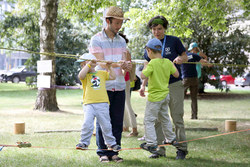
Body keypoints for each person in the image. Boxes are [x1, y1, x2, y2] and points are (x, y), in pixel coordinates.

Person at [140, 15, 188, 160]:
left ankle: (181, 148)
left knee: (176, 116)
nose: (156, 32)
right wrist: (143, 85)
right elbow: (147, 68)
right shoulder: (150, 45)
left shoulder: (174, 40)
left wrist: (181, 59)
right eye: (154, 29)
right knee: (158, 118)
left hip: (173, 85)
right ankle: (159, 149)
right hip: (157, 86)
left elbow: (185, 56)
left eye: (159, 29)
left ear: (165, 28)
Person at [88, 6, 131, 163]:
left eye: (121, 23)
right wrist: (119, 64)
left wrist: (127, 65)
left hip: (119, 85)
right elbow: (100, 62)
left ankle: (115, 151)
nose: (119, 26)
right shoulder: (96, 39)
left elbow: (125, 61)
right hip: (103, 86)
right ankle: (103, 152)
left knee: (117, 120)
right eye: (117, 23)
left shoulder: (121, 41)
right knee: (103, 120)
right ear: (108, 21)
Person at [75, 53, 121, 152]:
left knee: (106, 125)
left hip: (102, 103)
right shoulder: (85, 76)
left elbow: (113, 77)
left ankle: (111, 144)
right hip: (89, 104)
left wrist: (109, 67)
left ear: (94, 64)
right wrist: (88, 65)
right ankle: (84, 142)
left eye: (84, 64)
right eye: (82, 65)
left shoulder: (101, 73)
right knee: (87, 124)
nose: (82, 66)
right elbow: (80, 75)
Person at [139, 38, 179, 154]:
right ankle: (171, 138)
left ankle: (151, 144)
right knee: (164, 118)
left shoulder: (151, 63)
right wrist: (171, 64)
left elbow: (142, 76)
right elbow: (176, 74)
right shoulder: (167, 62)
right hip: (165, 96)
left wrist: (146, 66)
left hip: (155, 98)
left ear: (149, 51)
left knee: (148, 120)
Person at [181, 42, 209, 119]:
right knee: (194, 99)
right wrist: (208, 63)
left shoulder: (180, 57)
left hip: (186, 79)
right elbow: (203, 62)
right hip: (194, 79)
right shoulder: (193, 55)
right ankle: (194, 116)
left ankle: (179, 115)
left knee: (180, 98)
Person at [119, 32, 138, 137]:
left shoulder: (125, 51)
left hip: (124, 80)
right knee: (123, 103)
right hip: (120, 79)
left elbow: (127, 67)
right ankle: (125, 126)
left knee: (127, 103)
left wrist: (123, 75)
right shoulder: (122, 50)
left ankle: (134, 128)